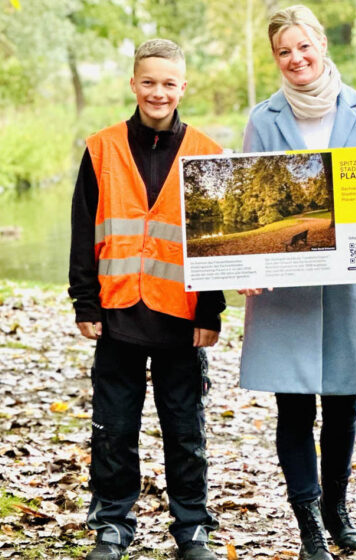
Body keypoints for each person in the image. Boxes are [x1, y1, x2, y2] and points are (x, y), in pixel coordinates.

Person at [237, 5, 356, 560]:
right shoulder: (263, 118)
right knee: (294, 406)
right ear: (275, 59)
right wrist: (243, 265)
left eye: (303, 47)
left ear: (322, 45)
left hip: (349, 280)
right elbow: (246, 208)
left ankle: (337, 509)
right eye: (284, 52)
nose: (296, 59)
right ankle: (308, 520)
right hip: (285, 288)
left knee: (343, 403)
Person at [68, 39, 226, 560]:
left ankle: (192, 529)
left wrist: (211, 310)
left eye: (169, 83)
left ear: (184, 87)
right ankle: (112, 525)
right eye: (149, 82)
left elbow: (216, 242)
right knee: (114, 428)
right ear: (133, 84)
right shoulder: (101, 149)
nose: (159, 92)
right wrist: (84, 302)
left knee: (186, 431)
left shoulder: (207, 153)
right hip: (116, 315)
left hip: (181, 317)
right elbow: (83, 231)